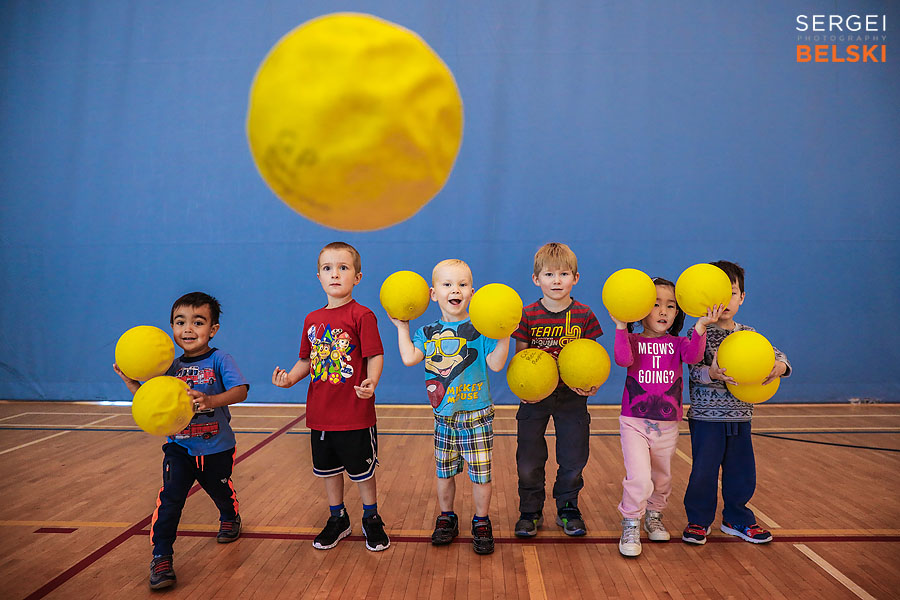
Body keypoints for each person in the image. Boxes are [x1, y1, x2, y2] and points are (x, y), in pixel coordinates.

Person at [114, 292, 249, 590]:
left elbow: (241, 391)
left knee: (219, 488)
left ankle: (229, 514)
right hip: (179, 448)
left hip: (217, 447)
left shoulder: (220, 359)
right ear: (171, 328)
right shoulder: (169, 368)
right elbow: (152, 403)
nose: (188, 329)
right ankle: (161, 556)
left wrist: (211, 399)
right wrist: (133, 384)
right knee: (170, 500)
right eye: (180, 322)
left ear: (212, 329)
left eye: (197, 322)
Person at [272, 242, 389, 552]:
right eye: (328, 268)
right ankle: (338, 518)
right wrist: (290, 379)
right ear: (319, 276)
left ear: (357, 277)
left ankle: (371, 517)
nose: (335, 274)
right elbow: (307, 360)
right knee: (329, 471)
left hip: (354, 413)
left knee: (362, 472)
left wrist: (371, 381)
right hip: (321, 415)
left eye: (343, 268)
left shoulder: (362, 315)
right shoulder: (312, 319)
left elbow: (375, 355)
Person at [388, 259, 511, 554]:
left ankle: (481, 521)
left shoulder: (481, 330)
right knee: (445, 473)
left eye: (462, 284)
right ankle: (447, 518)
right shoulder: (427, 332)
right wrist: (402, 327)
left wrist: (504, 332)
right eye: (447, 284)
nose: (455, 290)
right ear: (433, 293)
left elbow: (495, 365)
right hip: (443, 419)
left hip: (477, 417)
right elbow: (409, 357)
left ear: (472, 292)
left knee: (481, 475)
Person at [681, 260, 791, 546]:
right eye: (719, 294)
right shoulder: (699, 333)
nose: (726, 301)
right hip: (706, 418)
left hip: (741, 417)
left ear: (742, 297)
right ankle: (698, 520)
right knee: (704, 471)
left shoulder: (749, 335)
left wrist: (780, 367)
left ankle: (737, 518)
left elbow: (776, 355)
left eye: (732, 293)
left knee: (741, 470)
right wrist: (712, 373)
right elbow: (692, 369)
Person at [611, 278, 723, 557]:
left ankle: (654, 515)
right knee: (639, 477)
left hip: (667, 423)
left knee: (661, 477)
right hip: (634, 421)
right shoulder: (633, 340)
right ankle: (631, 521)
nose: (663, 311)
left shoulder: (678, 344)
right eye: (655, 305)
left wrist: (700, 327)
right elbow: (623, 359)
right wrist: (621, 325)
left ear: (677, 312)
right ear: (640, 309)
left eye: (670, 306)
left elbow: (695, 354)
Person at [512, 243, 603, 537]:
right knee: (528, 459)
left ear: (575, 278)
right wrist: (523, 388)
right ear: (536, 279)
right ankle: (530, 511)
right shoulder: (526, 315)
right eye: (549, 274)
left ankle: (568, 508)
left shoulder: (584, 315)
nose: (556, 280)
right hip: (535, 398)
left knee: (574, 457)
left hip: (572, 397)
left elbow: (594, 358)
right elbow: (520, 357)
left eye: (564, 274)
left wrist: (593, 384)